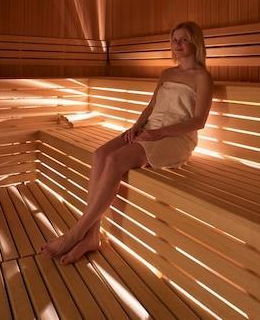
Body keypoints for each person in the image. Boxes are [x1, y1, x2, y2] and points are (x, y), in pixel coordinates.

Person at [41, 21, 214, 264]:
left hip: (176, 139)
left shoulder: (202, 77)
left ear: (195, 42)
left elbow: (198, 121)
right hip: (150, 130)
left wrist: (159, 133)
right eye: (174, 40)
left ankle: (76, 233)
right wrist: (136, 127)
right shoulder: (167, 74)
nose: (178, 44)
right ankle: (92, 236)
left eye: (184, 39)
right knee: (100, 155)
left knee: (115, 160)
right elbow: (151, 107)